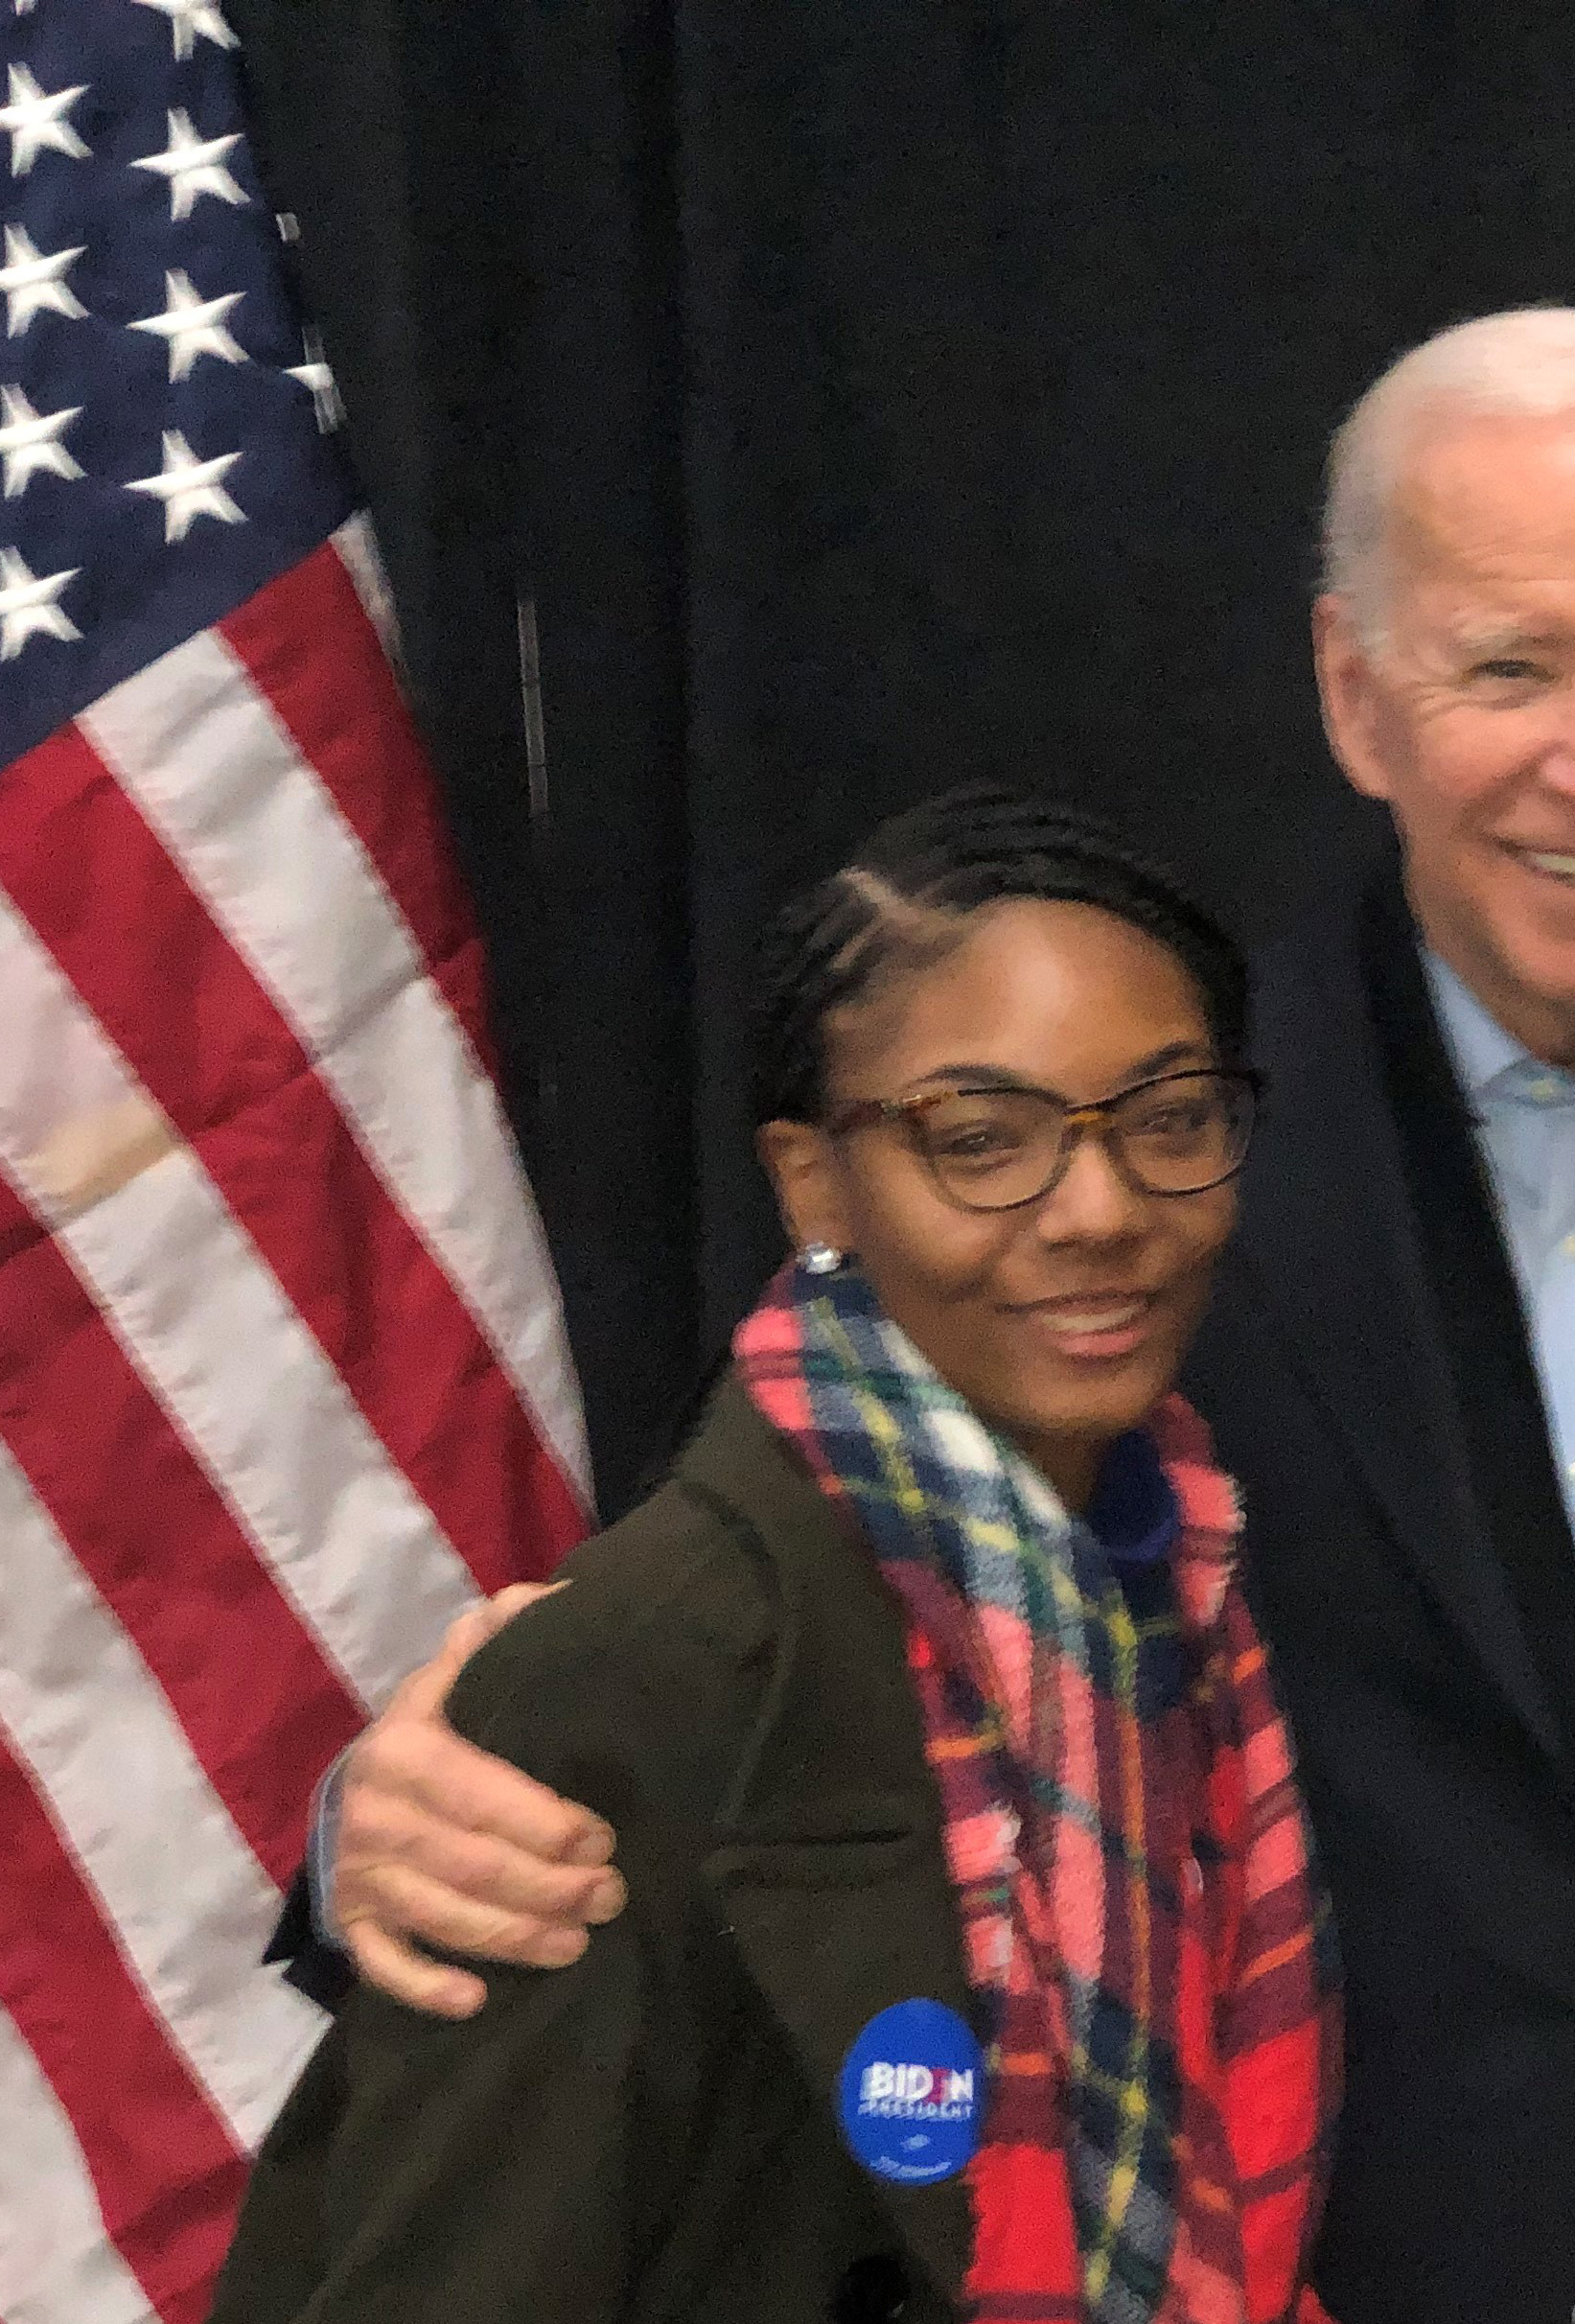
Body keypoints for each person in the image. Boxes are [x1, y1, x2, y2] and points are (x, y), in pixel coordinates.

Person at [278, 310, 1575, 2324]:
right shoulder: (1113, 1174)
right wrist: (388, 1827)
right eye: (1505, 667)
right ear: (1353, 692)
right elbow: (769, 1649)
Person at [214, 788, 1336, 2324]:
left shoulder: (1181, 1588)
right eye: (983, 1140)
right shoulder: (638, 1674)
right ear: (814, 1182)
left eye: (1169, 1120)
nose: (1100, 1209)